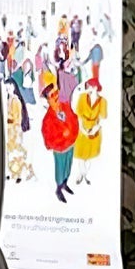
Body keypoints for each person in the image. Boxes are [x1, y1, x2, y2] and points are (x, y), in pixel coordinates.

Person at [40, 69, 78, 203]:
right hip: (60, 148)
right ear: (48, 100)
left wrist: (71, 131)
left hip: (70, 144)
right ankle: (59, 188)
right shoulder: (48, 119)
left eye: (56, 93)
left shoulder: (66, 105)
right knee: (60, 168)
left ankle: (65, 183)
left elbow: (74, 118)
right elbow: (47, 135)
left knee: (68, 166)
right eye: (52, 95)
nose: (55, 97)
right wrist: (62, 136)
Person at [73, 73, 108, 185]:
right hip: (82, 127)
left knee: (89, 155)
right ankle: (81, 174)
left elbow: (102, 118)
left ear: (96, 88)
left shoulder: (102, 101)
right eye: (88, 86)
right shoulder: (82, 97)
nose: (88, 88)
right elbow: (78, 114)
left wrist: (95, 129)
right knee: (80, 154)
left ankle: (85, 174)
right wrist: (82, 128)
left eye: (90, 86)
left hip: (94, 129)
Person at [5, 82, 34, 183]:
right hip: (9, 130)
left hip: (15, 130)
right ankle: (12, 173)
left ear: (13, 87)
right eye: (6, 88)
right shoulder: (8, 100)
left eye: (9, 88)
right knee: (11, 152)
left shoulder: (16, 100)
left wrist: (10, 121)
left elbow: (17, 118)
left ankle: (20, 174)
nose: (8, 90)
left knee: (17, 153)